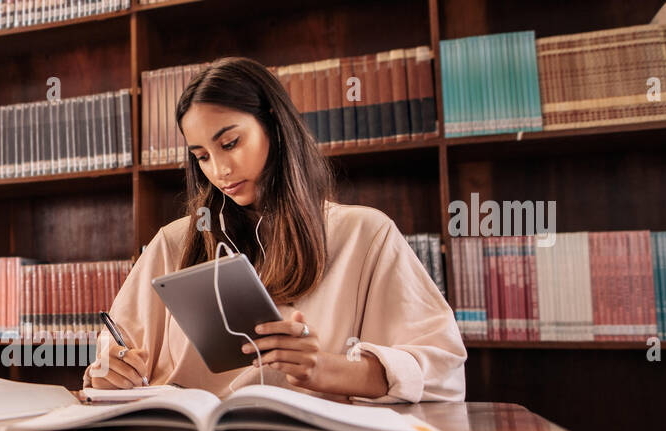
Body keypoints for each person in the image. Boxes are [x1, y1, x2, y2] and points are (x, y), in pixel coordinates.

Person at [86, 57, 466, 403]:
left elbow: (442, 372)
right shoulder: (173, 242)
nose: (219, 171)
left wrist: (324, 369)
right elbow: (111, 362)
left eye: (230, 143)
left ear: (274, 124)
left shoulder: (365, 235)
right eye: (201, 156)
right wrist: (107, 372)